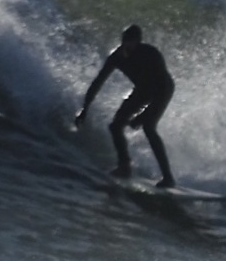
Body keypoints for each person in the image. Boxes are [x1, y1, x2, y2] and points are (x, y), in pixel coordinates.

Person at [74, 23, 177, 186]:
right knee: (115, 126)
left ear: (138, 41)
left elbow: (162, 86)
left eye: (130, 42)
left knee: (148, 127)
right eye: (123, 41)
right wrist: (84, 108)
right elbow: (98, 82)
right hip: (142, 90)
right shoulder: (116, 56)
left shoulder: (151, 54)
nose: (126, 46)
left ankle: (168, 178)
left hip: (163, 89)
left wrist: (143, 116)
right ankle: (124, 166)